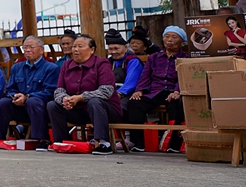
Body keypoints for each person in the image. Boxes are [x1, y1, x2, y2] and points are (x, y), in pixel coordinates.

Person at [48, 33, 121, 154]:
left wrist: (81, 97)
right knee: (53, 105)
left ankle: (103, 143)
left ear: (92, 50)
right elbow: (59, 90)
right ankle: (62, 141)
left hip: (104, 110)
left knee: (95, 102)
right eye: (74, 46)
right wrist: (65, 99)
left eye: (80, 46)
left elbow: (106, 91)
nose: (75, 50)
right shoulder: (66, 65)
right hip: (77, 110)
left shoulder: (102, 64)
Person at [125, 26, 189, 154]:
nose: (169, 40)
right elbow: (145, 76)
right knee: (135, 103)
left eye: (174, 37)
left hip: (172, 91)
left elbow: (185, 77)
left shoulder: (186, 59)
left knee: (177, 104)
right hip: (155, 91)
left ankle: (173, 145)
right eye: (167, 36)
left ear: (182, 41)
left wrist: (177, 91)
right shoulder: (154, 57)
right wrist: (140, 90)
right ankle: (138, 143)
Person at [0, 35, 58, 143]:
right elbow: (10, 88)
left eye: (31, 47)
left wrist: (27, 97)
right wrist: (15, 96)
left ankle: (40, 139)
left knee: (33, 101)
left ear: (41, 50)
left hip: (39, 108)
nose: (27, 50)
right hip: (19, 106)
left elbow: (50, 91)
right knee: (3, 102)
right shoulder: (16, 67)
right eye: (25, 47)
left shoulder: (51, 68)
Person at [106, 29, 143, 98]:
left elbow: (131, 82)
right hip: (109, 93)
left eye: (116, 48)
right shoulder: (108, 61)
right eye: (110, 49)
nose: (113, 52)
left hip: (128, 93)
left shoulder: (133, 61)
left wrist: (119, 93)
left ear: (126, 48)